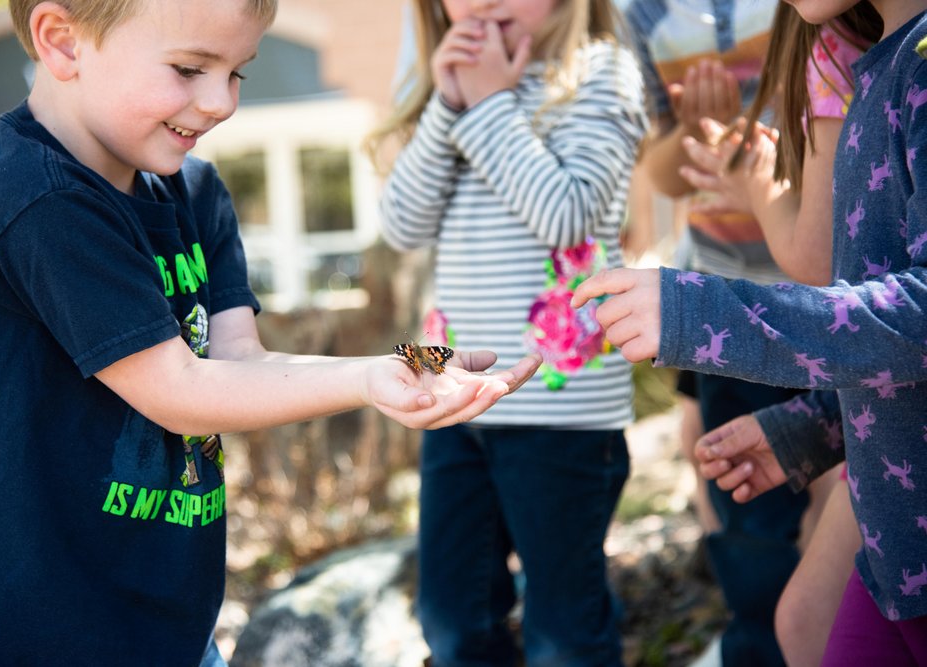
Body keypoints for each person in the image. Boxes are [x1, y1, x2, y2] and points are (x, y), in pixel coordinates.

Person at [0, 1, 542, 664]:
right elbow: (180, 390)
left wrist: (396, 366)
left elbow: (238, 360)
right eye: (190, 69)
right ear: (63, 41)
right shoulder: (33, 199)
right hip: (37, 637)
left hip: (169, 629)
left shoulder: (192, 191)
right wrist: (367, 380)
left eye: (237, 72)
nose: (221, 103)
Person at [573, 0, 927, 662]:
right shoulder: (882, 64)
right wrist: (810, 429)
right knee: (800, 625)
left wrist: (704, 315)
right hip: (896, 552)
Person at [365, 0, 648, 663]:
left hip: (561, 413)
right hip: (452, 394)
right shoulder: (451, 92)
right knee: (451, 616)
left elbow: (567, 216)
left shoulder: (600, 73)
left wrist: (491, 103)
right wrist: (449, 103)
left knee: (564, 632)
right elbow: (402, 226)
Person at [676, 4, 881, 663]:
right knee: (800, 618)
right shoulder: (849, 43)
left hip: (857, 387)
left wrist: (757, 185)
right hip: (864, 401)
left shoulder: (841, 49)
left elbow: (819, 256)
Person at [621, 2, 810, 665]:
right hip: (720, 298)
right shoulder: (645, 15)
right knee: (746, 506)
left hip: (825, 291)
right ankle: (759, 642)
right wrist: (697, 130)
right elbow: (661, 168)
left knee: (833, 491)